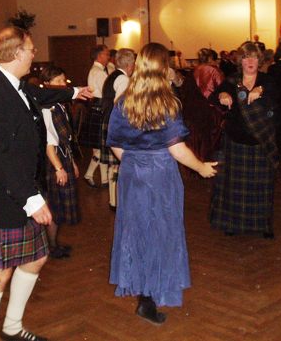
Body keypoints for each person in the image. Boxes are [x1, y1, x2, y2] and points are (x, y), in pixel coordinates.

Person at [0, 26, 92, 341]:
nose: (34, 54)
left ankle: (12, 327)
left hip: (21, 189)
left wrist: (73, 92)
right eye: (30, 49)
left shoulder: (14, 84)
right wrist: (30, 198)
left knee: (36, 258)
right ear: (16, 53)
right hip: (3, 197)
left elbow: (40, 95)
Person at [107, 42, 217, 325]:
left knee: (137, 232)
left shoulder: (124, 101)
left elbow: (115, 144)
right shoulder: (167, 103)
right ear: (162, 67)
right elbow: (177, 149)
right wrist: (201, 167)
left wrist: (135, 161)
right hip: (160, 175)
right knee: (160, 233)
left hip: (132, 174)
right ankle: (152, 296)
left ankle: (145, 296)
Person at [209, 42, 279, 238]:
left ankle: (263, 225)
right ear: (240, 61)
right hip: (236, 142)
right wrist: (222, 94)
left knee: (262, 188)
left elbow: (276, 96)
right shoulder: (232, 81)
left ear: (259, 60)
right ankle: (233, 223)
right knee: (235, 188)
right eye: (246, 57)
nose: (250, 61)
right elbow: (214, 97)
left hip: (260, 143)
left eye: (254, 57)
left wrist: (260, 90)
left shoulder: (267, 81)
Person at [40, 65, 81, 259]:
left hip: (63, 157)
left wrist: (72, 163)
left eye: (63, 80)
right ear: (47, 84)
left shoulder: (59, 105)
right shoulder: (47, 109)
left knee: (60, 206)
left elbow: (66, 140)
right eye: (58, 81)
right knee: (55, 207)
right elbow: (48, 144)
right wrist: (59, 168)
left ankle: (54, 244)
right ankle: (51, 247)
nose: (63, 84)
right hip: (54, 161)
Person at [100, 48, 136, 211]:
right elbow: (121, 106)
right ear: (130, 65)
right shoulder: (123, 79)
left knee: (113, 165)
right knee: (117, 165)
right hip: (117, 124)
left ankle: (113, 201)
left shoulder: (112, 76)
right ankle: (115, 202)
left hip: (109, 122)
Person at [80, 45, 110, 188]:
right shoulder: (99, 72)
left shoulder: (96, 70)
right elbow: (108, 92)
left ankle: (104, 179)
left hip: (96, 108)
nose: (108, 57)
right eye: (106, 54)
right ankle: (89, 175)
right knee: (101, 147)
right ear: (99, 56)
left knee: (100, 147)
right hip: (100, 108)